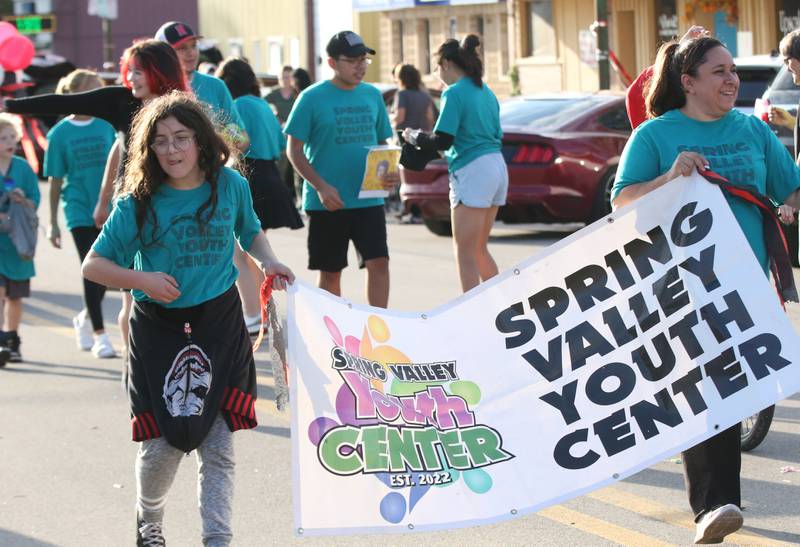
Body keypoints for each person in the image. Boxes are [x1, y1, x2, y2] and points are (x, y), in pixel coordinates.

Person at [82, 92, 294, 546]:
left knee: (218, 446)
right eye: (160, 141)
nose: (172, 149)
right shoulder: (138, 201)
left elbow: (250, 230)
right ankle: (149, 520)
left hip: (219, 324)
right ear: (148, 149)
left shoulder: (229, 185)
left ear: (201, 140)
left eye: (181, 137)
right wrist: (141, 278)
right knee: (161, 447)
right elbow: (93, 265)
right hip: (158, 329)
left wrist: (269, 261)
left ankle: (217, 538)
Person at [612, 36, 800, 544]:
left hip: (746, 287)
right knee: (705, 391)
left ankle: (719, 502)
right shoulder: (655, 135)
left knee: (734, 391)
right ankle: (714, 506)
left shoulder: (752, 130)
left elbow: (790, 189)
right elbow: (622, 203)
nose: (732, 79)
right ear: (688, 82)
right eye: (719, 71)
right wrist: (670, 177)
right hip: (683, 287)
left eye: (732, 70)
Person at [6, 39, 189, 360]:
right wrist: (10, 106)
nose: (130, 77)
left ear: (159, 72)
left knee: (174, 294)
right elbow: (61, 102)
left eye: (138, 71)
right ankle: (133, 365)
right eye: (129, 70)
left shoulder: (181, 108)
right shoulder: (119, 101)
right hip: (132, 209)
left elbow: (209, 150)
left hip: (175, 211)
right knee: (132, 297)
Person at [285, 30, 399, 308]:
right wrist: (321, 186)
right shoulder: (311, 98)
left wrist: (390, 171)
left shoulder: (372, 95)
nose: (360, 66)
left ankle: (377, 323)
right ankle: (332, 327)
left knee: (379, 262)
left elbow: (383, 142)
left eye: (364, 60)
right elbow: (294, 150)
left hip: (368, 198)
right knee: (331, 271)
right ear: (332, 63)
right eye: (353, 60)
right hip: (328, 202)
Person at [402, 35, 507, 293]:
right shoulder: (485, 91)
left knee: (465, 252)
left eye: (436, 67)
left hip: (473, 170)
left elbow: (443, 140)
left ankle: (469, 310)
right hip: (497, 167)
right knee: (479, 248)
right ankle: (500, 305)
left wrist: (414, 137)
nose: (436, 74)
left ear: (447, 64)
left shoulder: (454, 92)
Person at [44, 69, 117, 358]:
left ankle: (85, 318)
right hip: (78, 209)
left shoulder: (106, 125)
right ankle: (100, 336)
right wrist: (52, 222)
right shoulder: (59, 133)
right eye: (94, 89)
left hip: (110, 207)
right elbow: (55, 181)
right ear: (78, 94)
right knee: (92, 269)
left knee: (109, 272)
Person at [154, 21, 249, 152]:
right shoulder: (154, 88)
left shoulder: (216, 85)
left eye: (194, 46)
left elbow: (241, 137)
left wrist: (221, 146)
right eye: (182, 48)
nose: (191, 53)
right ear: (163, 54)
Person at [0, 114, 40, 363]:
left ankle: (12, 339)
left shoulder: (23, 167)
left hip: (18, 243)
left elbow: (35, 199)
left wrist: (23, 200)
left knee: (15, 295)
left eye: (12, 137)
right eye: (2, 138)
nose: (9, 142)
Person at [266, 65, 299, 202]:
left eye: (288, 77)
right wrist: (274, 117)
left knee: (296, 166)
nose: (285, 80)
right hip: (280, 134)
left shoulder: (297, 93)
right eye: (282, 77)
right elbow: (262, 106)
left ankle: (297, 196)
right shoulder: (274, 94)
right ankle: (281, 196)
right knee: (281, 165)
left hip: (296, 133)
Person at [391, 63, 435, 136]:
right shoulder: (425, 95)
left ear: (401, 78)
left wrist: (391, 120)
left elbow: (400, 117)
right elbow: (430, 119)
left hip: (405, 136)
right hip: (421, 136)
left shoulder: (402, 94)